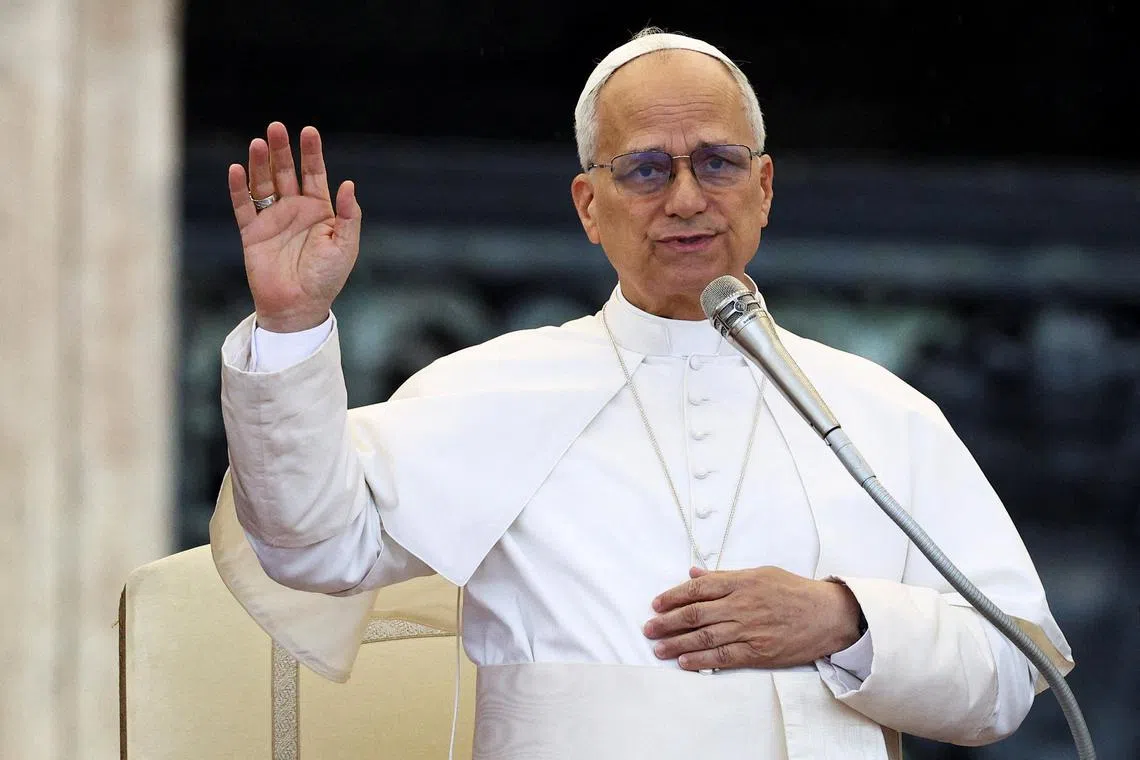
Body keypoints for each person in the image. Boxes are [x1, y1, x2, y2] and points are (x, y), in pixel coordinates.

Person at [210, 28, 1073, 759]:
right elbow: (311, 547)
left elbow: (1006, 677)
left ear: (764, 188)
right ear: (589, 205)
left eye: (718, 163)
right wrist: (291, 324)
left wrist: (841, 619)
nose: (688, 199)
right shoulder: (492, 388)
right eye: (648, 170)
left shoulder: (881, 411)